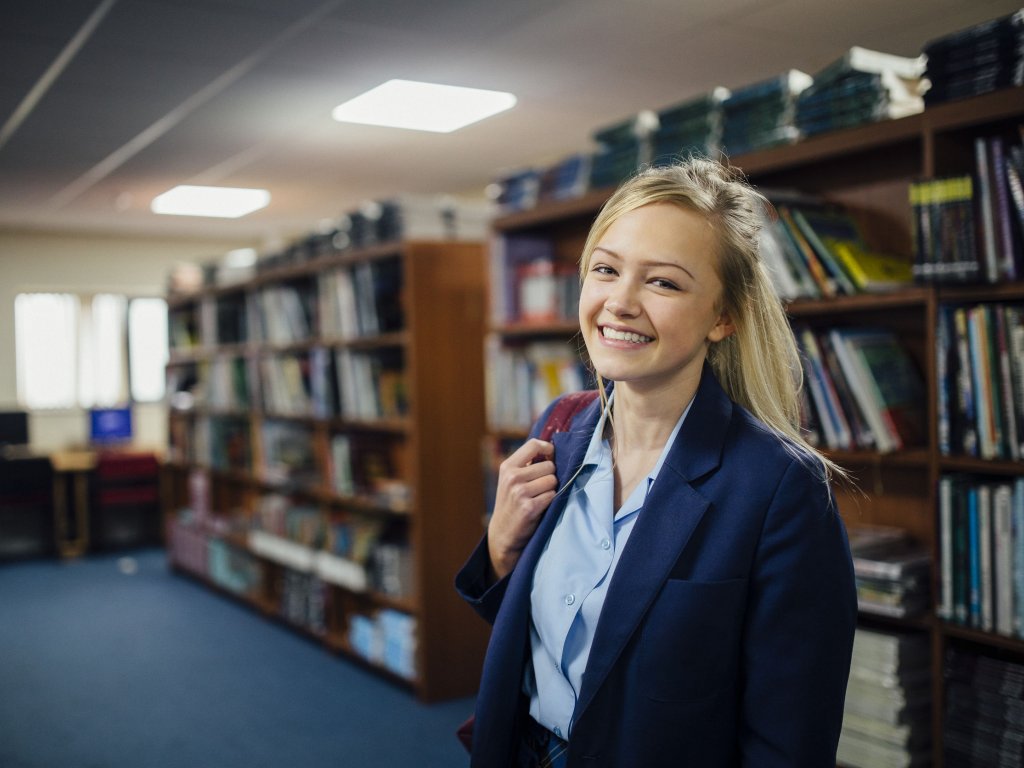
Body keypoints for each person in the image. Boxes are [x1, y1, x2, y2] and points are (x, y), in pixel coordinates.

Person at [456, 157, 857, 767]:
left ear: (724, 317)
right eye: (605, 269)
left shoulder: (780, 487)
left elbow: (790, 736)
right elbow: (540, 640)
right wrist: (499, 551)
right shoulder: (559, 427)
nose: (619, 302)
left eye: (663, 283)